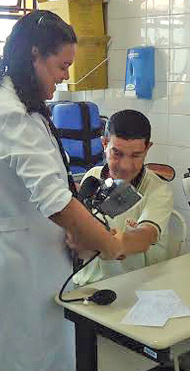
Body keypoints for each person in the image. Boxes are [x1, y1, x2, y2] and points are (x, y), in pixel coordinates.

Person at [0, 10, 125, 371]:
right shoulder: (9, 113)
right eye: (60, 67)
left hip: (32, 262)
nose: (63, 78)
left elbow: (54, 186)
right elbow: (55, 200)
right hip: (21, 273)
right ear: (34, 55)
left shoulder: (21, 106)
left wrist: (81, 230)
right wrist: (109, 243)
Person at [71, 110, 174, 287]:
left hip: (136, 288)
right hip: (85, 286)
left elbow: (147, 234)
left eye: (136, 155)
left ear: (147, 148)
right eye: (117, 154)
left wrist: (116, 244)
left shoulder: (158, 190)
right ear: (104, 144)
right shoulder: (93, 176)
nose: (126, 166)